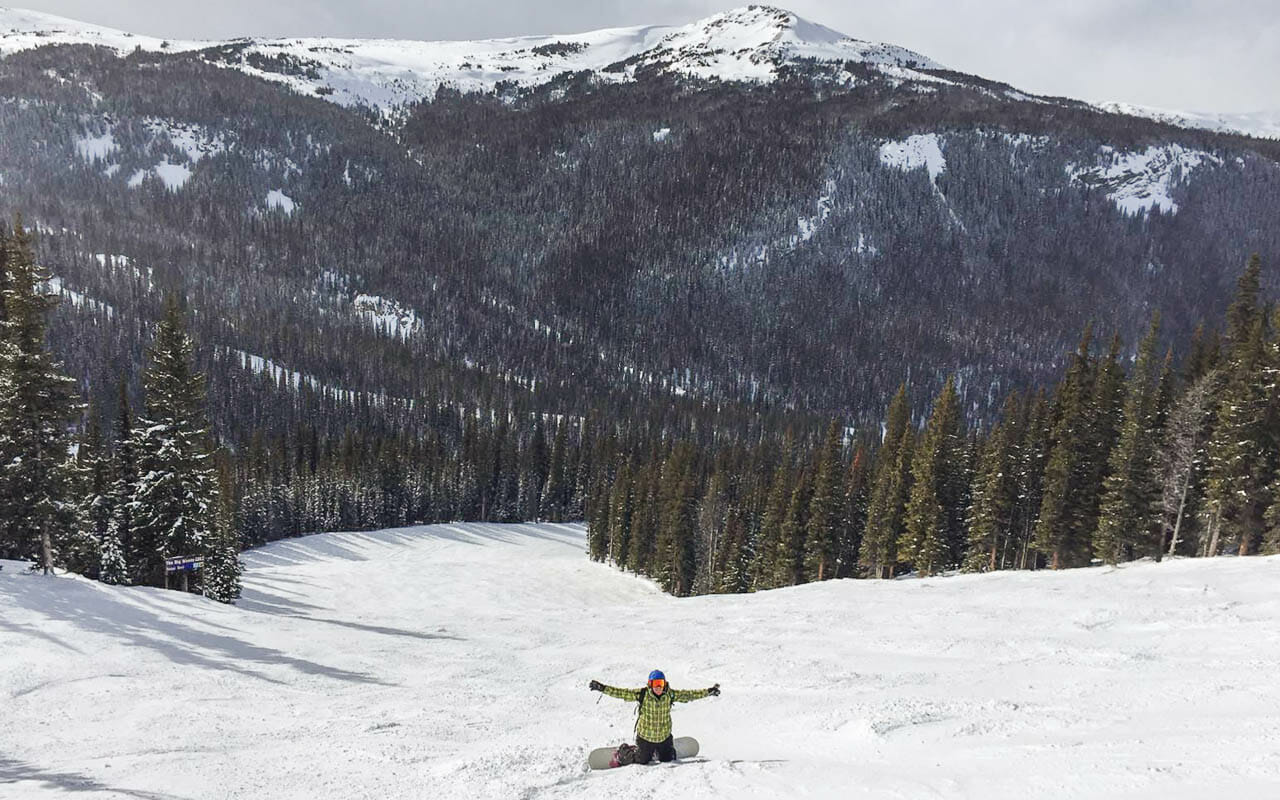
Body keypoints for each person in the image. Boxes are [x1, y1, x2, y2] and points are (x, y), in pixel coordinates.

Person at [589, 669, 720, 764]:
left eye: (661, 684)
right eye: (656, 684)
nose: (658, 687)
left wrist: (708, 692)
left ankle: (663, 751)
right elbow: (621, 693)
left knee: (668, 759)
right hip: (646, 737)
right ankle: (625, 751)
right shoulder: (642, 694)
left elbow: (690, 695)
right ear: (650, 684)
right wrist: (602, 688)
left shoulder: (670, 695)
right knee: (641, 760)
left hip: (664, 737)